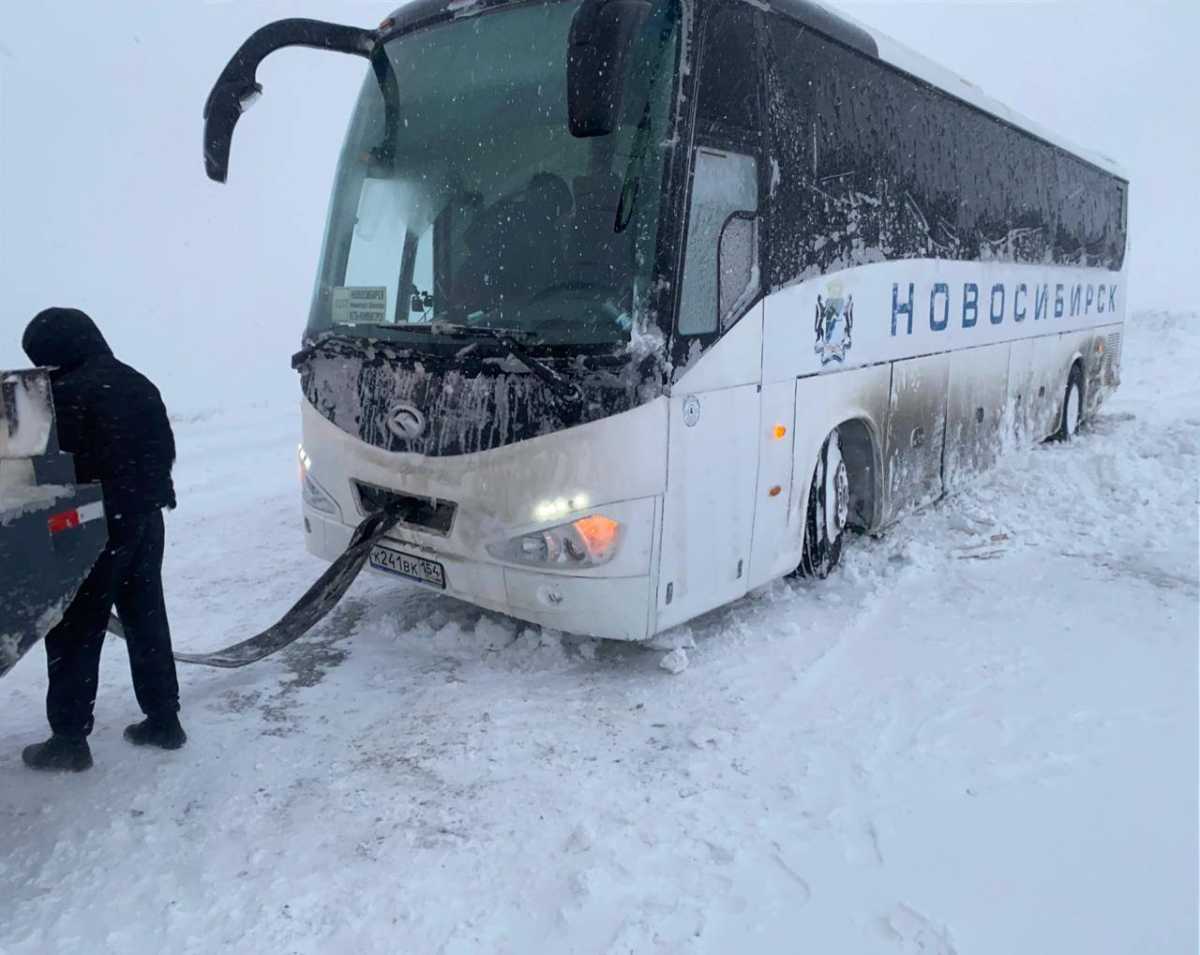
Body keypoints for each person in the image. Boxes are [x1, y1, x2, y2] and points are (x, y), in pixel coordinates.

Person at [19, 308, 185, 772]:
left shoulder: (63, 394)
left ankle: (69, 740)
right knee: (146, 617)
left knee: (74, 630)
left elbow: (47, 473)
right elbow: (163, 452)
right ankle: (163, 718)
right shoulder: (136, 381)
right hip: (147, 520)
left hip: (94, 525)